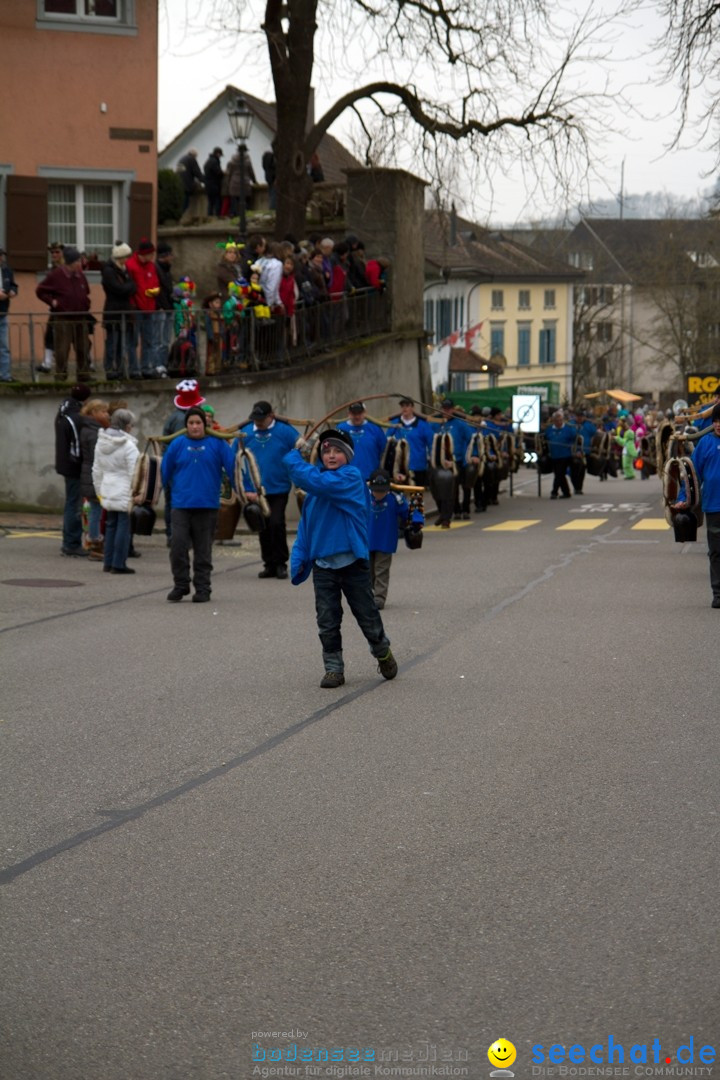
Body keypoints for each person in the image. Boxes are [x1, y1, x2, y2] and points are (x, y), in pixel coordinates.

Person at [284, 429, 398, 688]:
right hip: (324, 566)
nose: (331, 455)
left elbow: (309, 477)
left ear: (347, 455)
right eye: (326, 451)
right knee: (327, 619)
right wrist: (300, 556)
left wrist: (296, 454)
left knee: (367, 616)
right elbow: (306, 528)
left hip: (352, 565)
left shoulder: (351, 478)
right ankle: (333, 668)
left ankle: (382, 651)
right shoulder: (316, 488)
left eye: (337, 451)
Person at [161, 406, 237, 603]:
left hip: (207, 506)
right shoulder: (177, 444)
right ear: (186, 425)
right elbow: (164, 472)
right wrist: (148, 497)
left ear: (205, 424)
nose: (194, 427)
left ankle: (203, 588)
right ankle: (181, 584)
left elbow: (233, 470)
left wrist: (247, 491)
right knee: (177, 547)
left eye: (198, 423)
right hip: (180, 505)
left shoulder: (218, 444)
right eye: (191, 423)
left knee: (203, 551)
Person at [234, 400, 299, 580]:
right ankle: (268, 563)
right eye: (256, 419)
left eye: (262, 419)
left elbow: (301, 449)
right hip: (255, 489)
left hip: (279, 487)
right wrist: (245, 488)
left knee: (276, 523)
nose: (258, 422)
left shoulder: (285, 431)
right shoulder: (245, 434)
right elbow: (235, 461)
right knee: (261, 525)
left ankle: (281, 563)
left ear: (271, 415)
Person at [677, 403, 720, 607]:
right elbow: (692, 475)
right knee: (716, 551)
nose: (719, 425)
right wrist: (684, 497)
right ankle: (718, 594)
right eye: (716, 421)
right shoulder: (705, 443)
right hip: (713, 506)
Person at [92, 408, 140, 575]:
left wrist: (99, 490)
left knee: (110, 525)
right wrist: (136, 492)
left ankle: (108, 561)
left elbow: (96, 469)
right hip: (124, 488)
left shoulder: (101, 442)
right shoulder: (129, 446)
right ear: (127, 426)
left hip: (107, 486)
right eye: (131, 425)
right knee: (123, 527)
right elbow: (135, 472)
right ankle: (119, 563)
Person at [36, 247, 92, 381]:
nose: (80, 263)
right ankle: (61, 375)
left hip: (81, 316)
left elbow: (86, 291)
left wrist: (86, 302)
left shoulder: (80, 275)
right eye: (78, 261)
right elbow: (40, 291)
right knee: (62, 348)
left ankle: (83, 374)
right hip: (63, 317)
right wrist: (52, 302)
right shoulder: (56, 275)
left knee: (83, 346)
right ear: (71, 262)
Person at [162, 379, 207, 543]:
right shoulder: (183, 421)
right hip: (180, 468)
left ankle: (172, 534)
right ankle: (177, 535)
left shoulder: (173, 417)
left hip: (172, 465)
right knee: (178, 504)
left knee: (170, 501)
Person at [55, 383, 91, 556]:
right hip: (73, 466)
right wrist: (82, 464)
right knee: (74, 504)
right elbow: (76, 447)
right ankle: (71, 543)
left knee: (71, 501)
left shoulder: (63, 412)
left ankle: (69, 540)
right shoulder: (75, 417)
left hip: (65, 463)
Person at [367, 468, 411, 610]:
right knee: (367, 571)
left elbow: (409, 513)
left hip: (386, 542)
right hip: (366, 541)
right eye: (376, 491)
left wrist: (416, 522)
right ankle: (369, 594)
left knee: (381, 570)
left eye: (382, 491)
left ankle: (379, 598)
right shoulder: (364, 498)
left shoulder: (395, 499)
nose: (379, 494)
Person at [126, 239, 163, 379]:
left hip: (149, 307)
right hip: (136, 308)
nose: (152, 257)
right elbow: (131, 287)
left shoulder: (151, 266)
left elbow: (155, 281)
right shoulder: (131, 266)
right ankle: (134, 369)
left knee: (148, 340)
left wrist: (155, 290)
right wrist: (133, 304)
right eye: (150, 254)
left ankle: (147, 367)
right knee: (133, 341)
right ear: (144, 253)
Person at [79, 398, 110, 559]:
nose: (107, 414)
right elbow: (98, 456)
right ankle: (96, 544)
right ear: (93, 413)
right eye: (103, 411)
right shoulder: (94, 432)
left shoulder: (91, 429)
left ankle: (94, 541)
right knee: (96, 511)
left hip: (90, 474)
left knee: (95, 510)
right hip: (93, 475)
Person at [100, 242, 136, 380]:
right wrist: (128, 287)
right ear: (120, 257)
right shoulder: (109, 271)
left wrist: (128, 287)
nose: (127, 259)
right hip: (113, 311)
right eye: (126, 256)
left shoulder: (124, 269)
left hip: (124, 311)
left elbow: (133, 286)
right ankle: (110, 369)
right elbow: (118, 289)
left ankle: (120, 369)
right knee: (112, 343)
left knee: (122, 343)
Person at [386, 396, 433, 488]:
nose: (404, 408)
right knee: (399, 496)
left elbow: (431, 444)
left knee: (416, 497)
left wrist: (431, 462)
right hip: (400, 468)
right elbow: (387, 440)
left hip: (418, 467)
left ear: (412, 407)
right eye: (402, 406)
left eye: (407, 405)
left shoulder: (423, 425)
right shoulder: (395, 423)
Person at [337, 401, 387, 481]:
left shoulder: (375, 428)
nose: (357, 416)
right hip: (347, 477)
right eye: (354, 413)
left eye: (359, 413)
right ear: (349, 414)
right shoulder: (341, 429)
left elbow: (383, 450)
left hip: (371, 477)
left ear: (365, 413)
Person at [545, 409, 576, 498]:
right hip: (554, 455)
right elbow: (546, 439)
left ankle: (554, 492)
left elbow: (575, 440)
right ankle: (566, 492)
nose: (558, 422)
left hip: (565, 455)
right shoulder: (550, 429)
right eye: (556, 420)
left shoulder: (568, 429)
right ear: (553, 421)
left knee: (559, 473)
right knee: (559, 474)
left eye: (560, 420)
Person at [155, 242, 175, 374]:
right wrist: (160, 305)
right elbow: (158, 290)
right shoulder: (156, 269)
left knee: (166, 340)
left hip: (168, 307)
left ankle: (164, 364)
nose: (172, 257)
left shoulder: (166, 269)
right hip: (162, 307)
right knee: (160, 339)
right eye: (170, 254)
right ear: (165, 255)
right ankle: (158, 364)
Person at [0, 246, 18, 382]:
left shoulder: (7, 270)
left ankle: (4, 375)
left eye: (2, 255)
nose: (2, 258)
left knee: (4, 347)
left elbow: (13, 285)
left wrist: (13, 291)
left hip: (3, 312)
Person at [177, 148, 204, 213]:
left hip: (179, 183)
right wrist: (204, 180)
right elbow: (197, 172)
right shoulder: (191, 159)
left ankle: (179, 214)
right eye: (196, 156)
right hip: (187, 184)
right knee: (186, 201)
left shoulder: (182, 159)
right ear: (194, 155)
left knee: (182, 200)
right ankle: (183, 215)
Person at [203, 146, 224, 217]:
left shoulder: (208, 160)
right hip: (214, 185)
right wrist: (223, 173)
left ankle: (209, 216)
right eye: (220, 155)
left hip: (208, 185)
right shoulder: (214, 161)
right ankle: (216, 216)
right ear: (218, 153)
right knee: (217, 201)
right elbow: (218, 172)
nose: (220, 156)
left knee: (210, 202)